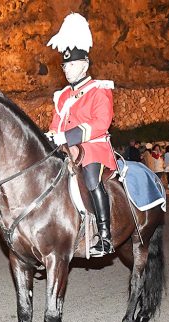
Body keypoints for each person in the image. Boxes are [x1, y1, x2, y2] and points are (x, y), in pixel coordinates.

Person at [46, 13, 116, 256]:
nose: (67, 70)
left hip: (93, 147)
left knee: (91, 179)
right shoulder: (62, 96)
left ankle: (105, 235)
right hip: (66, 148)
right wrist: (51, 136)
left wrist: (67, 137)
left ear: (84, 65)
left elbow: (101, 123)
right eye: (65, 66)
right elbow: (56, 123)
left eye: (72, 65)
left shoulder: (99, 90)